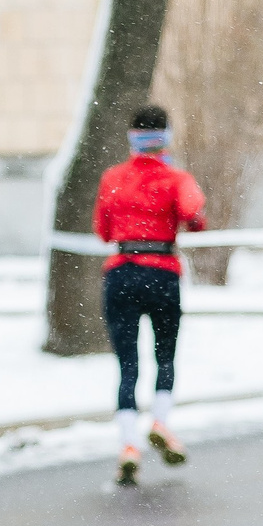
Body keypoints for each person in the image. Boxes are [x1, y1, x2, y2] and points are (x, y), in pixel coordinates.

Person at [92, 103, 206, 486]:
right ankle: (160, 422)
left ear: (132, 138)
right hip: (162, 273)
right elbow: (194, 216)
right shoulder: (176, 178)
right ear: (165, 139)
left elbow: (104, 231)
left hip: (121, 273)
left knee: (126, 363)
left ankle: (128, 445)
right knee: (165, 355)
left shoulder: (113, 178)